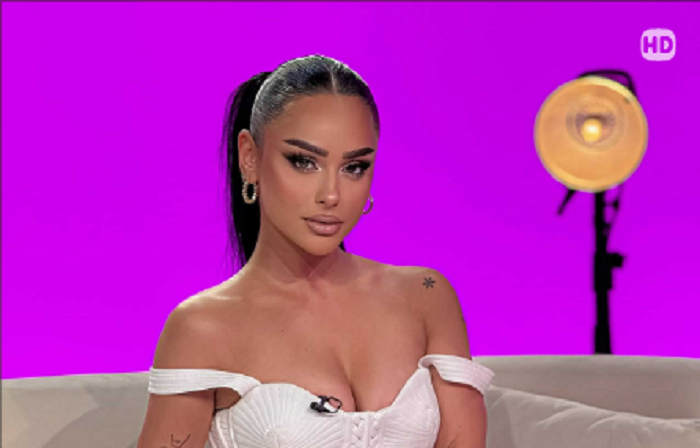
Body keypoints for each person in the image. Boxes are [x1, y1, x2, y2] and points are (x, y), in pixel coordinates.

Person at [136, 54, 495, 448]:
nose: (331, 195)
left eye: (354, 167)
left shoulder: (427, 295)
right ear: (250, 157)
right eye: (304, 162)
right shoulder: (202, 327)